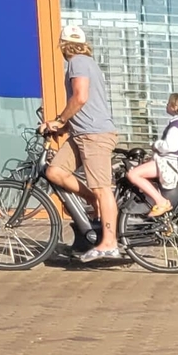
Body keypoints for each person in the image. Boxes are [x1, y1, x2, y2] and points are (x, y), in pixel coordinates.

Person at [44, 36, 121, 261]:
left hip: (94, 135)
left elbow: (80, 97)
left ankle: (109, 243)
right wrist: (63, 126)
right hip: (81, 133)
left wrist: (59, 120)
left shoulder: (77, 61)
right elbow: (85, 105)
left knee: (102, 188)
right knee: (55, 171)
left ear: (63, 45)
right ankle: (92, 200)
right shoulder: (87, 63)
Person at [125, 94, 178, 218]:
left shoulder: (177, 126)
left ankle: (161, 201)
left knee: (133, 174)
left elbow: (170, 146)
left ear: (174, 107)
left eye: (168, 103)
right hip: (170, 163)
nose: (166, 105)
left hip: (167, 164)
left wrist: (156, 145)